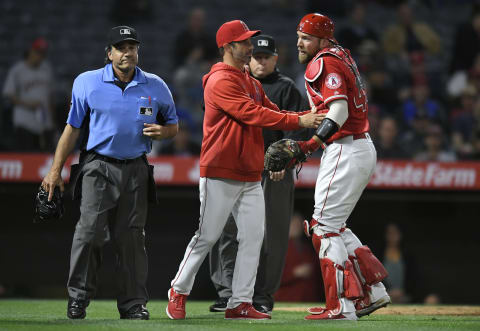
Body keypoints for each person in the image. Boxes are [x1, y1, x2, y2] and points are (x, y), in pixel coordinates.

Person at [166, 20, 323, 321]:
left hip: (250, 174)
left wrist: (306, 115)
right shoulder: (220, 80)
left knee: (252, 238)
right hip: (220, 171)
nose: (250, 47)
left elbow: (273, 109)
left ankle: (240, 302)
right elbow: (252, 114)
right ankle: (178, 290)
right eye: (244, 42)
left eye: (250, 41)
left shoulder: (249, 80)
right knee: (207, 236)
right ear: (227, 47)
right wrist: (299, 122)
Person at [41, 25, 178, 320]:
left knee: (132, 240)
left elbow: (174, 127)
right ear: (109, 53)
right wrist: (55, 171)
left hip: (137, 168)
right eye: (121, 47)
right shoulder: (87, 82)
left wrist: (163, 131)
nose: (128, 52)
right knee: (88, 233)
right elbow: (72, 128)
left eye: (132, 47)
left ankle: (132, 305)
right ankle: (77, 299)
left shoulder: (155, 85)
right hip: (98, 166)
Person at [294, 13, 391, 321]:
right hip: (360, 145)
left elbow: (338, 109)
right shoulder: (341, 54)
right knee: (334, 226)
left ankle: (340, 307)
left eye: (306, 37)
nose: (299, 41)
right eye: (299, 35)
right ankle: (373, 293)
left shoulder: (324, 62)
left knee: (322, 228)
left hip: (345, 146)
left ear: (322, 40)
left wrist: (309, 146)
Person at [208, 34, 310, 314]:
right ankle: (227, 292)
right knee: (226, 231)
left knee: (272, 235)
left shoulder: (286, 87)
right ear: (248, 57)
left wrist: (283, 162)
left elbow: (300, 130)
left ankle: (263, 294)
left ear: (275, 58)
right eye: (256, 56)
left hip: (272, 172)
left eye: (266, 57)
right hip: (237, 168)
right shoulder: (234, 83)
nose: (261, 61)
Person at [2, 37, 55, 151]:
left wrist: (52, 121)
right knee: (26, 155)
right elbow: (9, 95)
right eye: (37, 52)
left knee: (45, 156)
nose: (39, 56)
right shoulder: (17, 70)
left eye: (42, 53)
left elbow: (50, 96)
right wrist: (28, 104)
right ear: (31, 51)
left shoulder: (46, 69)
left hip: (43, 122)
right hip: (24, 121)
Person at [274, 212, 323, 303]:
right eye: (293, 223)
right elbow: (270, 277)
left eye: (299, 224)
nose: (296, 226)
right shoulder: (277, 248)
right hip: (286, 300)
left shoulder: (308, 247)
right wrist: (294, 273)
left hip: (309, 300)